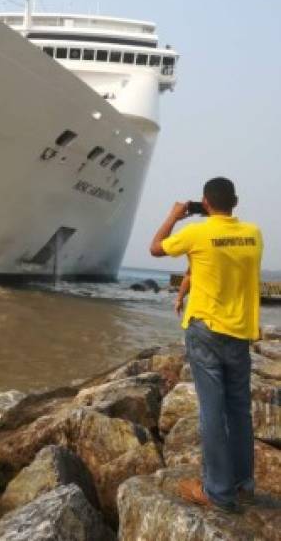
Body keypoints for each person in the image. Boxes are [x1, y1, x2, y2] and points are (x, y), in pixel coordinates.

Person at [150, 177, 263, 513]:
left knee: (212, 412)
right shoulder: (254, 234)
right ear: (235, 202)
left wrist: (174, 216)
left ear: (205, 203)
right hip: (240, 332)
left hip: (207, 333)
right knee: (240, 410)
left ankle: (217, 493)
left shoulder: (197, 232)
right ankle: (243, 484)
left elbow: (155, 248)